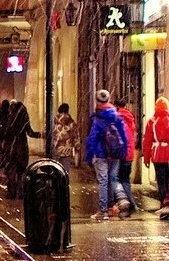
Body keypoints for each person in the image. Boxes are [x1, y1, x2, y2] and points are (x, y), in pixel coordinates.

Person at [83, 90, 131, 218]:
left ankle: (103, 210)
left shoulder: (97, 118)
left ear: (97, 101)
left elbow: (92, 139)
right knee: (113, 179)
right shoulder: (116, 116)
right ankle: (118, 200)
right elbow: (123, 134)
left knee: (103, 182)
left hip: (102, 154)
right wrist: (124, 151)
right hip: (115, 153)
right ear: (109, 99)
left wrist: (89, 157)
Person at [143, 98, 169, 209]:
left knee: (161, 181)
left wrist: (146, 158)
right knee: (168, 179)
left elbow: (147, 141)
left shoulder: (152, 121)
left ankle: (163, 201)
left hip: (157, 154)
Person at [0, 98, 36, 198]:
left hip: (10, 148)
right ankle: (20, 193)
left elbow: (3, 133)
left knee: (11, 171)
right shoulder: (23, 119)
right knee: (21, 171)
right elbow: (30, 133)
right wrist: (40, 135)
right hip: (21, 148)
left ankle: (11, 193)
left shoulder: (9, 118)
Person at [113, 97, 140, 213]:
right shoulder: (130, 119)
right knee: (125, 180)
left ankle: (127, 202)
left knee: (116, 179)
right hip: (129, 154)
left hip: (119, 154)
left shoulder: (116, 119)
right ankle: (131, 204)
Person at [52, 102, 81, 183]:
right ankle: (64, 187)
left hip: (55, 150)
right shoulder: (71, 123)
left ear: (59, 110)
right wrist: (77, 148)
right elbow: (76, 138)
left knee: (55, 172)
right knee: (65, 172)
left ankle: (56, 187)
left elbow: (45, 133)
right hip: (66, 151)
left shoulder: (53, 121)